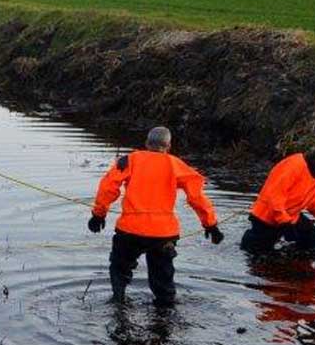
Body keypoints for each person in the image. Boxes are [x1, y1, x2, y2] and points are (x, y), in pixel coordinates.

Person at [87, 126, 223, 305]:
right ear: (169, 146)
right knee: (163, 281)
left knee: (119, 269)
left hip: (130, 230)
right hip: (163, 234)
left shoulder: (129, 160)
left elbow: (108, 187)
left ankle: (118, 303)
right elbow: (196, 197)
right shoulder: (176, 164)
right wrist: (210, 225)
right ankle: (164, 319)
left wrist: (99, 214)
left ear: (146, 143)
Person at [240, 139, 315, 254]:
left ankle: (297, 264)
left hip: (291, 217)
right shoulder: (294, 165)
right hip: (267, 218)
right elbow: (274, 197)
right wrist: (286, 224)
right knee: (256, 253)